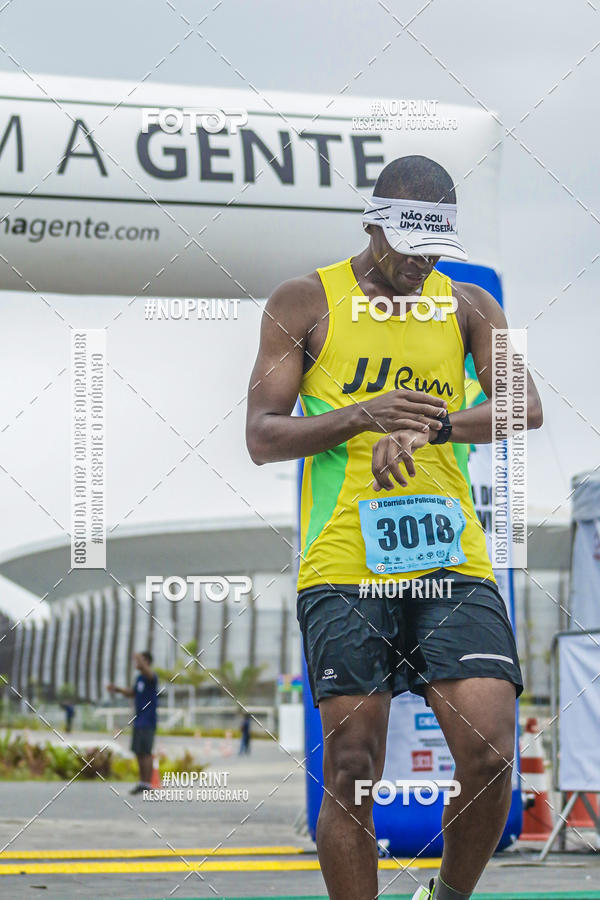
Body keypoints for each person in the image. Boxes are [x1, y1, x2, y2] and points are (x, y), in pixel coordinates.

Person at [246, 155, 543, 900]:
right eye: (408, 245)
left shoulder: (469, 304)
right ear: (373, 224)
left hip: (450, 558)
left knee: (490, 755)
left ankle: (446, 897)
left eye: (434, 247)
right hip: (346, 560)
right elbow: (261, 435)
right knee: (352, 772)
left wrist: (435, 428)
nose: (420, 263)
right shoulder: (304, 300)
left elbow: (523, 407)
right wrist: (359, 415)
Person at [107, 651, 158, 795]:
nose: (136, 663)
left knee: (146, 752)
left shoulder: (151, 677)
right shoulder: (139, 678)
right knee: (139, 752)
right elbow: (132, 693)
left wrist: (139, 658)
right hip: (139, 720)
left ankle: (148, 784)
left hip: (148, 720)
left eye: (140, 660)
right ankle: (142, 783)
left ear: (146, 662)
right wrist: (116, 689)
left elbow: (148, 672)